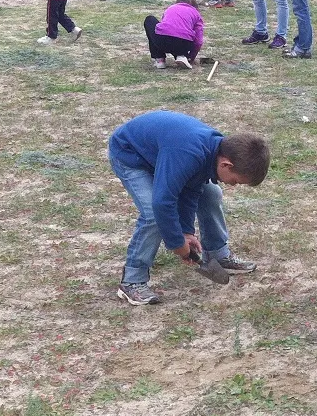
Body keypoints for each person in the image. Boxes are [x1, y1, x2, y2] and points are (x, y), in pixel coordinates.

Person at [108, 111, 269, 306]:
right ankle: (132, 281)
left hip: (165, 155)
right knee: (153, 214)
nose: (233, 186)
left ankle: (218, 254)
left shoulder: (215, 150)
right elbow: (163, 202)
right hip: (132, 155)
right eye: (235, 181)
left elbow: (193, 187)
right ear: (226, 164)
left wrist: (186, 231)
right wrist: (178, 244)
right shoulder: (189, 153)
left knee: (211, 193)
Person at [143, 0, 205, 70]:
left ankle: (160, 59)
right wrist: (191, 57)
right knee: (181, 34)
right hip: (184, 44)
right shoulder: (196, 14)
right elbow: (199, 41)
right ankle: (182, 56)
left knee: (150, 19)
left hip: (162, 41)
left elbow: (164, 27)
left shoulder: (170, 8)